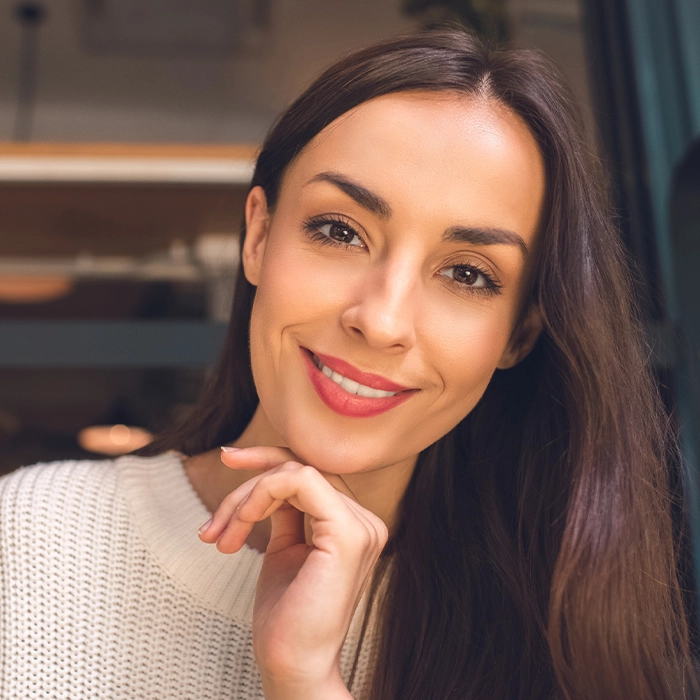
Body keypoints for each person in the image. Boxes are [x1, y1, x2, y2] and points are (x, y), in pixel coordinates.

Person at [0, 29, 696, 700]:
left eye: (467, 274)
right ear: (259, 236)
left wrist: (305, 681)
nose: (382, 320)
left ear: (517, 337)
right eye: (340, 231)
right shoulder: (31, 534)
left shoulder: (563, 647)